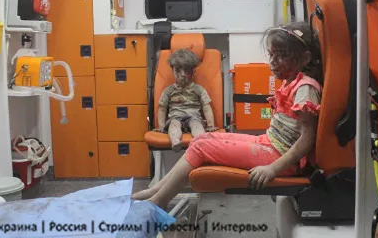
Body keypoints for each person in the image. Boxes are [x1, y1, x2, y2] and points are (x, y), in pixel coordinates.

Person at [134, 21, 322, 209]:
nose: (273, 61)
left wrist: (272, 169)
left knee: (201, 147)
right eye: (271, 54)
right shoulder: (291, 81)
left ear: (304, 58)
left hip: (279, 157)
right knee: (201, 139)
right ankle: (157, 190)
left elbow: (308, 138)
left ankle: (158, 201)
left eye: (282, 56)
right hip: (270, 143)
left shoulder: (305, 88)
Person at [154, 48, 219, 151]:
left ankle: (201, 143)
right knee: (174, 125)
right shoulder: (168, 91)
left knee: (196, 126)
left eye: (187, 70)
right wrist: (161, 126)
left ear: (193, 72)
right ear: (172, 71)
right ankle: (175, 142)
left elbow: (206, 108)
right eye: (178, 70)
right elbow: (162, 109)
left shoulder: (199, 90)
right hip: (175, 118)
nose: (183, 74)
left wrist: (210, 125)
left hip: (194, 117)